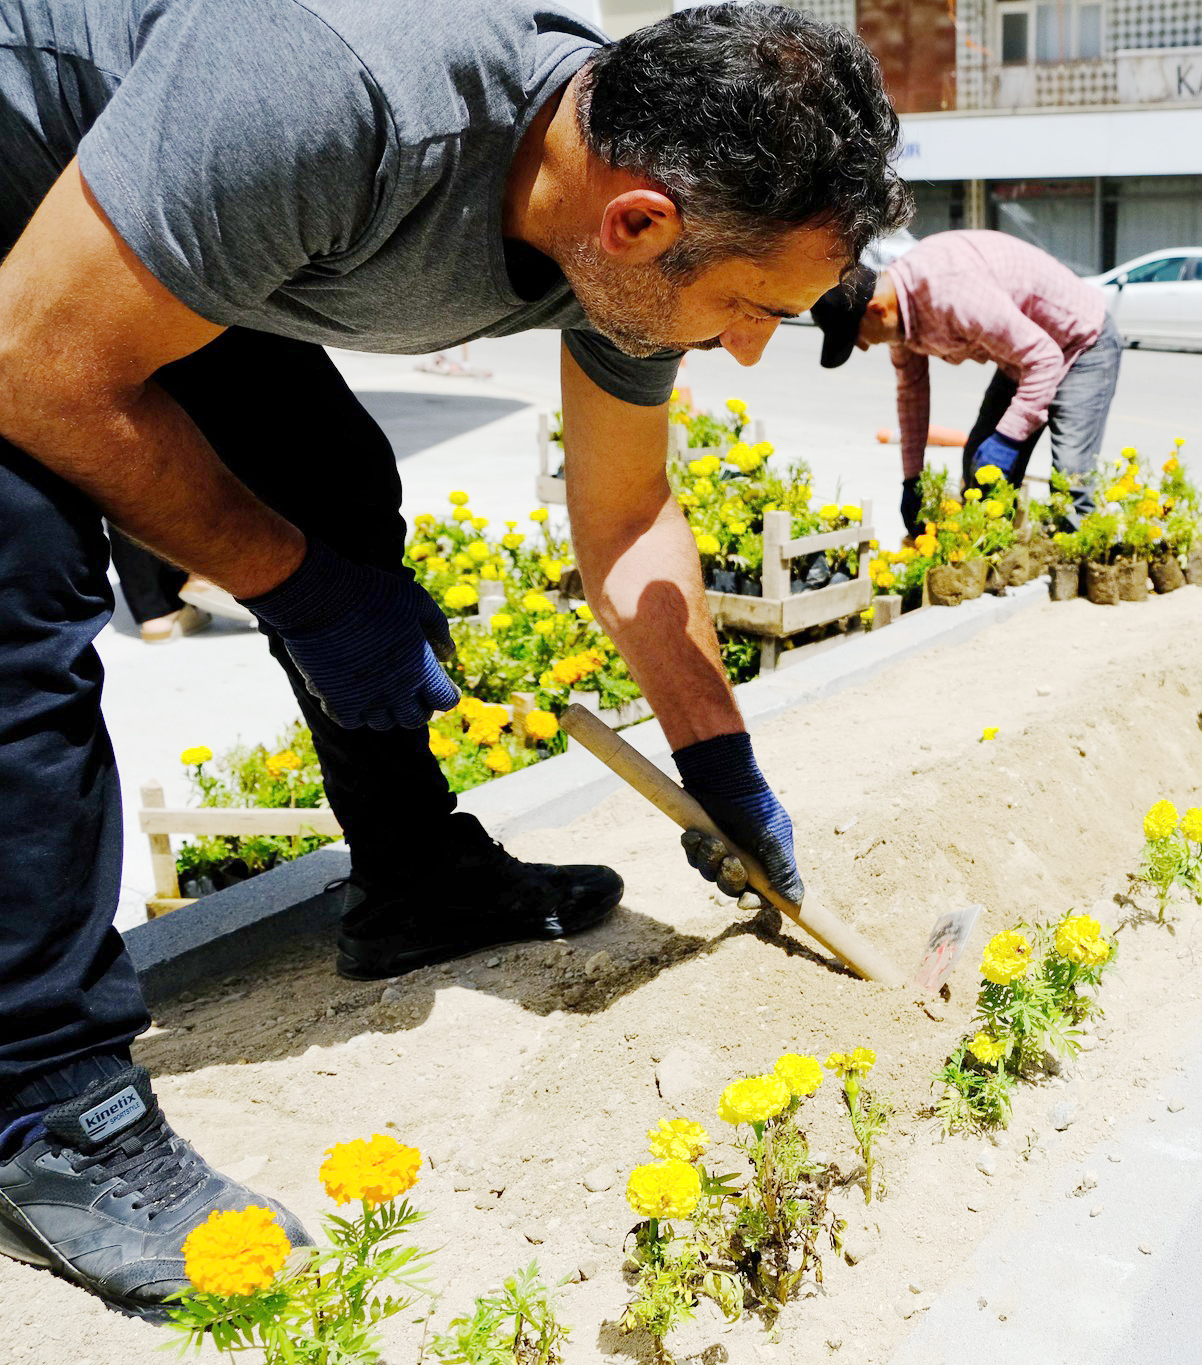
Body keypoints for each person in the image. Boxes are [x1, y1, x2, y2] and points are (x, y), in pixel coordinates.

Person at [0, 0, 904, 1310]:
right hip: (27, 183)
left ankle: (415, 880)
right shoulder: (332, 91)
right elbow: (37, 365)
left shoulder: (629, 225)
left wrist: (720, 756)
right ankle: (47, 1109)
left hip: (167, 205)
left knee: (331, 485)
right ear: (639, 223)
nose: (757, 345)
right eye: (751, 306)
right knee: (21, 583)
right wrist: (297, 590)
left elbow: (630, 513)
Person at [807, 231, 1121, 534]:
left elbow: (1045, 358)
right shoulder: (898, 312)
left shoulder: (953, 294)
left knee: (1071, 478)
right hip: (1023, 354)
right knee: (979, 465)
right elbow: (912, 395)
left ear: (878, 311)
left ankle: (1087, 569)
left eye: (857, 338)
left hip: (1081, 343)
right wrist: (912, 479)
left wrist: (1009, 439)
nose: (862, 347)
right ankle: (994, 559)